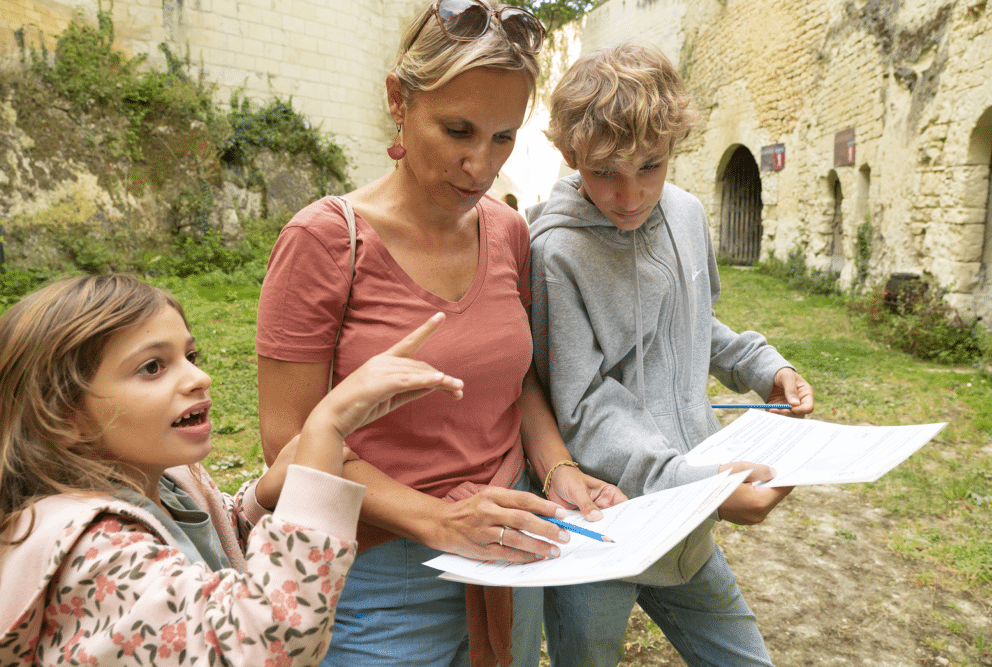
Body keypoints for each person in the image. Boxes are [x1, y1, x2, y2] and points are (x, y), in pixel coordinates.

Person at [255, 2, 625, 666]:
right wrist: (438, 521)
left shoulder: (509, 230)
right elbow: (287, 445)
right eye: (458, 130)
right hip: (380, 577)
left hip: (512, 546)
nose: (480, 166)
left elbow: (519, 382)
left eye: (504, 137)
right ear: (399, 99)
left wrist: (558, 468)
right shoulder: (325, 240)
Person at [0, 274, 466, 666]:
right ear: (64, 416)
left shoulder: (171, 481)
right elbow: (266, 641)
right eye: (151, 367)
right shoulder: (92, 552)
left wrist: (265, 496)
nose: (197, 378)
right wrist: (325, 428)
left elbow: (215, 552)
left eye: (190, 357)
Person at [527, 43, 816, 667]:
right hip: (604, 521)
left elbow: (692, 322)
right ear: (571, 156)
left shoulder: (685, 213)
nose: (630, 195)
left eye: (649, 166)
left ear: (672, 148)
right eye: (605, 171)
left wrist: (763, 365)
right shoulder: (554, 253)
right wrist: (701, 487)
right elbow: (584, 404)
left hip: (688, 515)